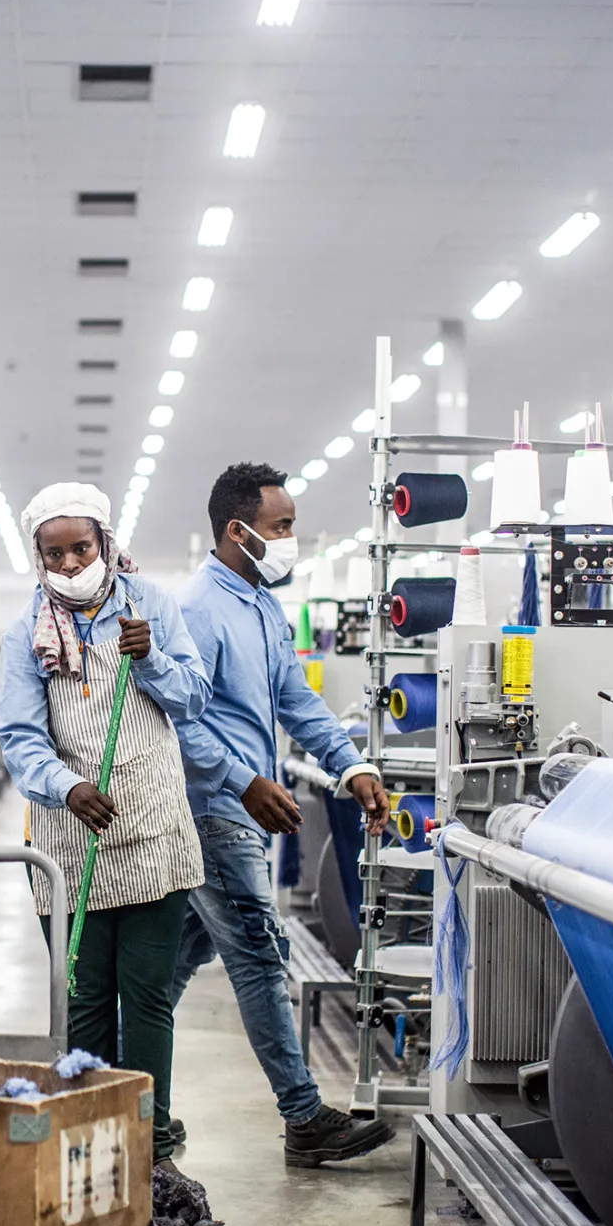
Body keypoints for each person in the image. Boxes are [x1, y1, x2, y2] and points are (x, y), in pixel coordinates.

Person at [169, 462, 397, 1167]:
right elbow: (179, 720)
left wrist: (351, 764)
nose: (291, 539)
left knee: (174, 964)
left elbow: (295, 700)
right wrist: (242, 782)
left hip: (236, 811)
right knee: (260, 956)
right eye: (282, 527)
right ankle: (303, 1115)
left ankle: (105, 1079)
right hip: (214, 809)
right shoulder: (198, 609)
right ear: (238, 531)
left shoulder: (263, 605)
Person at [0, 482, 214, 1197]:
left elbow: (194, 697)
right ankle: (87, 1136)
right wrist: (64, 786)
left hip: (151, 830)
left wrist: (149, 658)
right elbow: (19, 734)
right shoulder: (25, 627)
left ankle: (150, 1143)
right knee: (84, 998)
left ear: (105, 542)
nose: (67, 562)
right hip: (68, 836)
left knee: (145, 997)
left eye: (79, 547)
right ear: (38, 556)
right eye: (53, 552)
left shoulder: (150, 604)